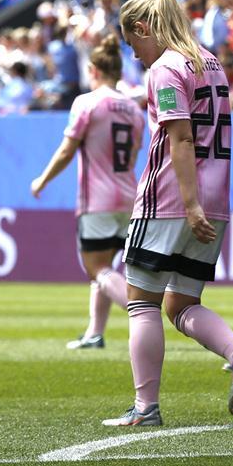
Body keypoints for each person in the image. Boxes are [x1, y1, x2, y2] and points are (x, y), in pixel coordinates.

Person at [103, 0, 233, 427]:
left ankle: (145, 407)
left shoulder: (165, 67)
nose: (134, 56)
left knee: (142, 303)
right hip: (216, 200)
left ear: (143, 29)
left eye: (132, 44)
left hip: (171, 200)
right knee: (181, 303)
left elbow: (181, 138)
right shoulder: (210, 63)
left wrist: (189, 204)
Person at [30, 35, 145, 349]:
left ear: (92, 69)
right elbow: (133, 156)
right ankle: (95, 332)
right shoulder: (135, 111)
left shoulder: (87, 102)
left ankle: (141, 313)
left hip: (97, 200)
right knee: (107, 266)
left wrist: (42, 180)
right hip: (129, 198)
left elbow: (68, 150)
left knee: (97, 269)